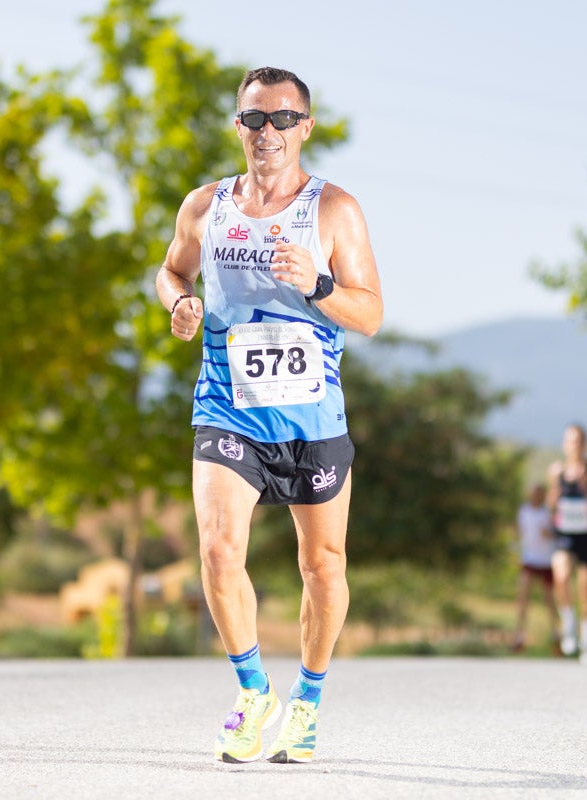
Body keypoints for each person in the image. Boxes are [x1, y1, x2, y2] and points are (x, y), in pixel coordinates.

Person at [156, 66, 382, 764]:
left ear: (305, 129)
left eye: (283, 119)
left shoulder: (334, 210)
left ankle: (307, 700)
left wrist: (315, 284)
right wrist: (180, 305)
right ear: (238, 127)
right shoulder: (205, 206)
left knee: (323, 566)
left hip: (312, 421)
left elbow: (370, 312)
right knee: (220, 551)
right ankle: (254, 691)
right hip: (229, 411)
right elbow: (172, 271)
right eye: (255, 119)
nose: (268, 133)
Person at [546, 423, 587, 664]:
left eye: (579, 441)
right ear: (564, 444)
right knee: (560, 575)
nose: (575, 446)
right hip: (566, 534)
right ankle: (569, 625)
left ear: (586, 445)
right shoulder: (556, 470)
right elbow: (551, 503)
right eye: (570, 441)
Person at [512, 483, 557, 653]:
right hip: (529, 560)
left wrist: (549, 534)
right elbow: (518, 532)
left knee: (549, 600)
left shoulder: (548, 513)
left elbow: (557, 533)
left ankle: (556, 634)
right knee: (523, 597)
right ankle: (519, 635)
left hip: (546, 561)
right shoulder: (523, 511)